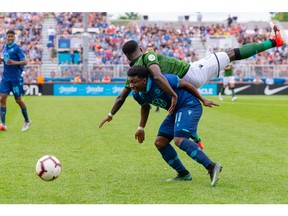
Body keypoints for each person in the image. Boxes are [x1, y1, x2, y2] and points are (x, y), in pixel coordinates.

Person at [99, 24, 284, 148]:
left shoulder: (133, 74)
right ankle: (274, 42)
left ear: (127, 57)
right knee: (231, 53)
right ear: (139, 49)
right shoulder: (148, 56)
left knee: (182, 110)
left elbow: (121, 96)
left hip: (183, 85)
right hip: (191, 74)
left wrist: (110, 115)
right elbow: (156, 75)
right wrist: (172, 94)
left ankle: (196, 138)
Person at [126, 65, 222, 186]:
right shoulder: (137, 94)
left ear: (144, 80)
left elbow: (186, 84)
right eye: (130, 82)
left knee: (179, 140)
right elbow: (145, 107)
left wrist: (203, 100)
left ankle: (212, 166)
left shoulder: (163, 79)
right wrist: (141, 128)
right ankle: (183, 174)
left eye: (134, 82)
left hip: (189, 105)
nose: (131, 85)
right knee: (160, 142)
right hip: (174, 112)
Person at [0, 29, 32, 131]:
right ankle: (3, 124)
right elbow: (4, 60)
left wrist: (14, 62)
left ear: (14, 37)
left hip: (15, 78)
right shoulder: (4, 47)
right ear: (6, 37)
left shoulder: (17, 48)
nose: (9, 38)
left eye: (11, 36)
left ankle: (27, 120)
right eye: (8, 36)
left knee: (18, 100)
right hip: (5, 78)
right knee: (2, 99)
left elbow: (25, 62)